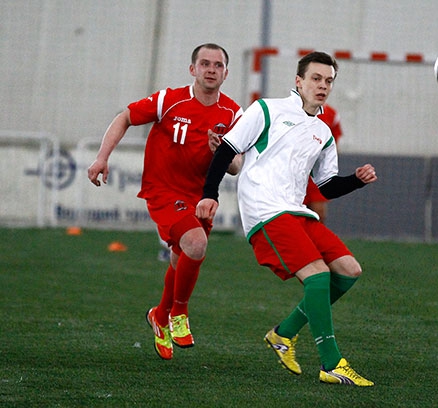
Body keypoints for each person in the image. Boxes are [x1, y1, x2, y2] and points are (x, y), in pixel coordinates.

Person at [197, 51, 377, 386]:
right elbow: (227, 149)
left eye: (328, 81)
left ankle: (284, 334)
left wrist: (356, 180)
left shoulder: (323, 132)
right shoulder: (267, 109)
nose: (322, 86)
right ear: (299, 81)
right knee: (318, 276)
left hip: (297, 211)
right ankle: (332, 363)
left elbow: (327, 185)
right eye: (316, 79)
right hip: (265, 210)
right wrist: (210, 194)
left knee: (349, 270)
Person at [87, 43, 243, 360]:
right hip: (164, 190)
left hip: (200, 197)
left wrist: (222, 153)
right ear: (193, 69)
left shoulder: (233, 114)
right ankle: (178, 314)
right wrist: (102, 157)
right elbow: (125, 117)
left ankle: (159, 315)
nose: (211, 69)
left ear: (226, 73)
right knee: (196, 244)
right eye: (205, 63)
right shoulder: (169, 100)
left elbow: (237, 166)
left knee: (180, 258)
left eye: (218, 65)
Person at [304, 103, 343, 224]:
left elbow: (334, 144)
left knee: (318, 212)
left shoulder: (331, 114)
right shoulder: (293, 110)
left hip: (316, 172)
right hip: (297, 170)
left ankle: (315, 236)